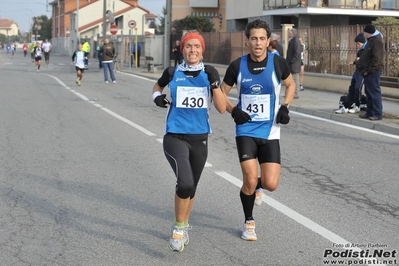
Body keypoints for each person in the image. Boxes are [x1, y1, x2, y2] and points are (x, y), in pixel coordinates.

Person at [221, 19, 296, 241]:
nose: (258, 43)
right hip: (245, 130)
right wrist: (233, 111)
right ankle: (249, 222)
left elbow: (290, 85)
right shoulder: (237, 66)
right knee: (250, 181)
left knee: (270, 184)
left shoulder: (277, 62)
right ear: (247, 41)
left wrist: (285, 106)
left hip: (270, 131)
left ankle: (257, 188)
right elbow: (220, 94)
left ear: (268, 41)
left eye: (262, 38)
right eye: (254, 38)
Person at [152, 30, 226, 252]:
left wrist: (214, 84)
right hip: (174, 136)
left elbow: (221, 108)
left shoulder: (209, 73)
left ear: (202, 50)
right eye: (188, 46)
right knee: (184, 182)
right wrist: (157, 97)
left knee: (192, 186)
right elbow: (157, 87)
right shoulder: (173, 72)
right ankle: (177, 228)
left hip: (199, 138)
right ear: (182, 49)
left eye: (196, 46)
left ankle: (184, 226)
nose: (192, 50)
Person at [357, 24, 384, 121]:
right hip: (367, 71)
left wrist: (369, 70)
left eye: (365, 32)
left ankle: (377, 113)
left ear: (368, 33)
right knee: (369, 92)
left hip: (373, 71)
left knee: (374, 93)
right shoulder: (371, 41)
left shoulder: (376, 41)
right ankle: (370, 112)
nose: (364, 34)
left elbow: (376, 58)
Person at [335, 33, 367, 114]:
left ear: (362, 42)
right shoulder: (360, 50)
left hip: (363, 72)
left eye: (358, 44)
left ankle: (357, 105)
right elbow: (359, 60)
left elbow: (363, 61)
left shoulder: (366, 50)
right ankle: (346, 106)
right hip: (357, 71)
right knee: (352, 88)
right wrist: (355, 62)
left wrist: (356, 61)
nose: (357, 45)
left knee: (357, 88)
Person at [286, 28, 302, 99]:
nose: (288, 34)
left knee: (295, 79)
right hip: (291, 64)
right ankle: (290, 93)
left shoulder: (296, 41)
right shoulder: (292, 41)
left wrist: (292, 61)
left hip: (294, 65)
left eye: (289, 33)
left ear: (291, 34)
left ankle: (295, 94)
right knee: (291, 79)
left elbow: (297, 53)